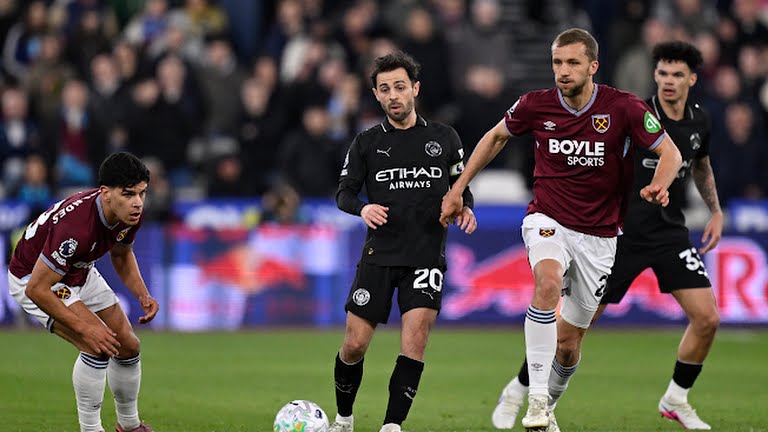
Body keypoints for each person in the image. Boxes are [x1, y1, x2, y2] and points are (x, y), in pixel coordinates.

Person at [441, 28, 683, 432]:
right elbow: (496, 136)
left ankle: (545, 406)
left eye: (572, 63)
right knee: (546, 283)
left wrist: (660, 183)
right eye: (557, 62)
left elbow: (669, 153)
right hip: (547, 219)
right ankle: (535, 400)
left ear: (593, 66)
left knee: (569, 346)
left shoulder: (623, 107)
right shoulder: (535, 105)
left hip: (601, 236)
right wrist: (458, 187)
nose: (563, 71)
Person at [490, 41, 721, 431]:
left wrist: (715, 210)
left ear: (692, 80)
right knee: (569, 334)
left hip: (668, 233)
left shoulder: (700, 121)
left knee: (708, 318)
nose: (667, 81)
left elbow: (698, 164)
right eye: (662, 72)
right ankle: (521, 388)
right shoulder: (631, 111)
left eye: (677, 74)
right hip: (619, 232)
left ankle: (676, 399)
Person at [330, 51, 476, 432]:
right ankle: (344, 419)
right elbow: (344, 194)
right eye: (384, 89)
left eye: (399, 87)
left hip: (426, 255)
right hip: (379, 255)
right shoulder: (366, 143)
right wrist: (362, 210)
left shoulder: (444, 138)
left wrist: (465, 208)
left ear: (415, 88)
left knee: (415, 341)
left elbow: (461, 187)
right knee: (355, 345)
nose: (393, 95)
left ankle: (392, 425)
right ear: (376, 95)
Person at [8, 152, 157, 432]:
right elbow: (37, 288)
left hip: (78, 270)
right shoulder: (77, 227)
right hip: (36, 279)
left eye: (142, 193)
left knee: (128, 345)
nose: (137, 202)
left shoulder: (130, 212)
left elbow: (122, 254)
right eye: (128, 194)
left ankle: (129, 425)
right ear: (106, 193)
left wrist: (143, 295)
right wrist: (84, 328)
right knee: (97, 346)